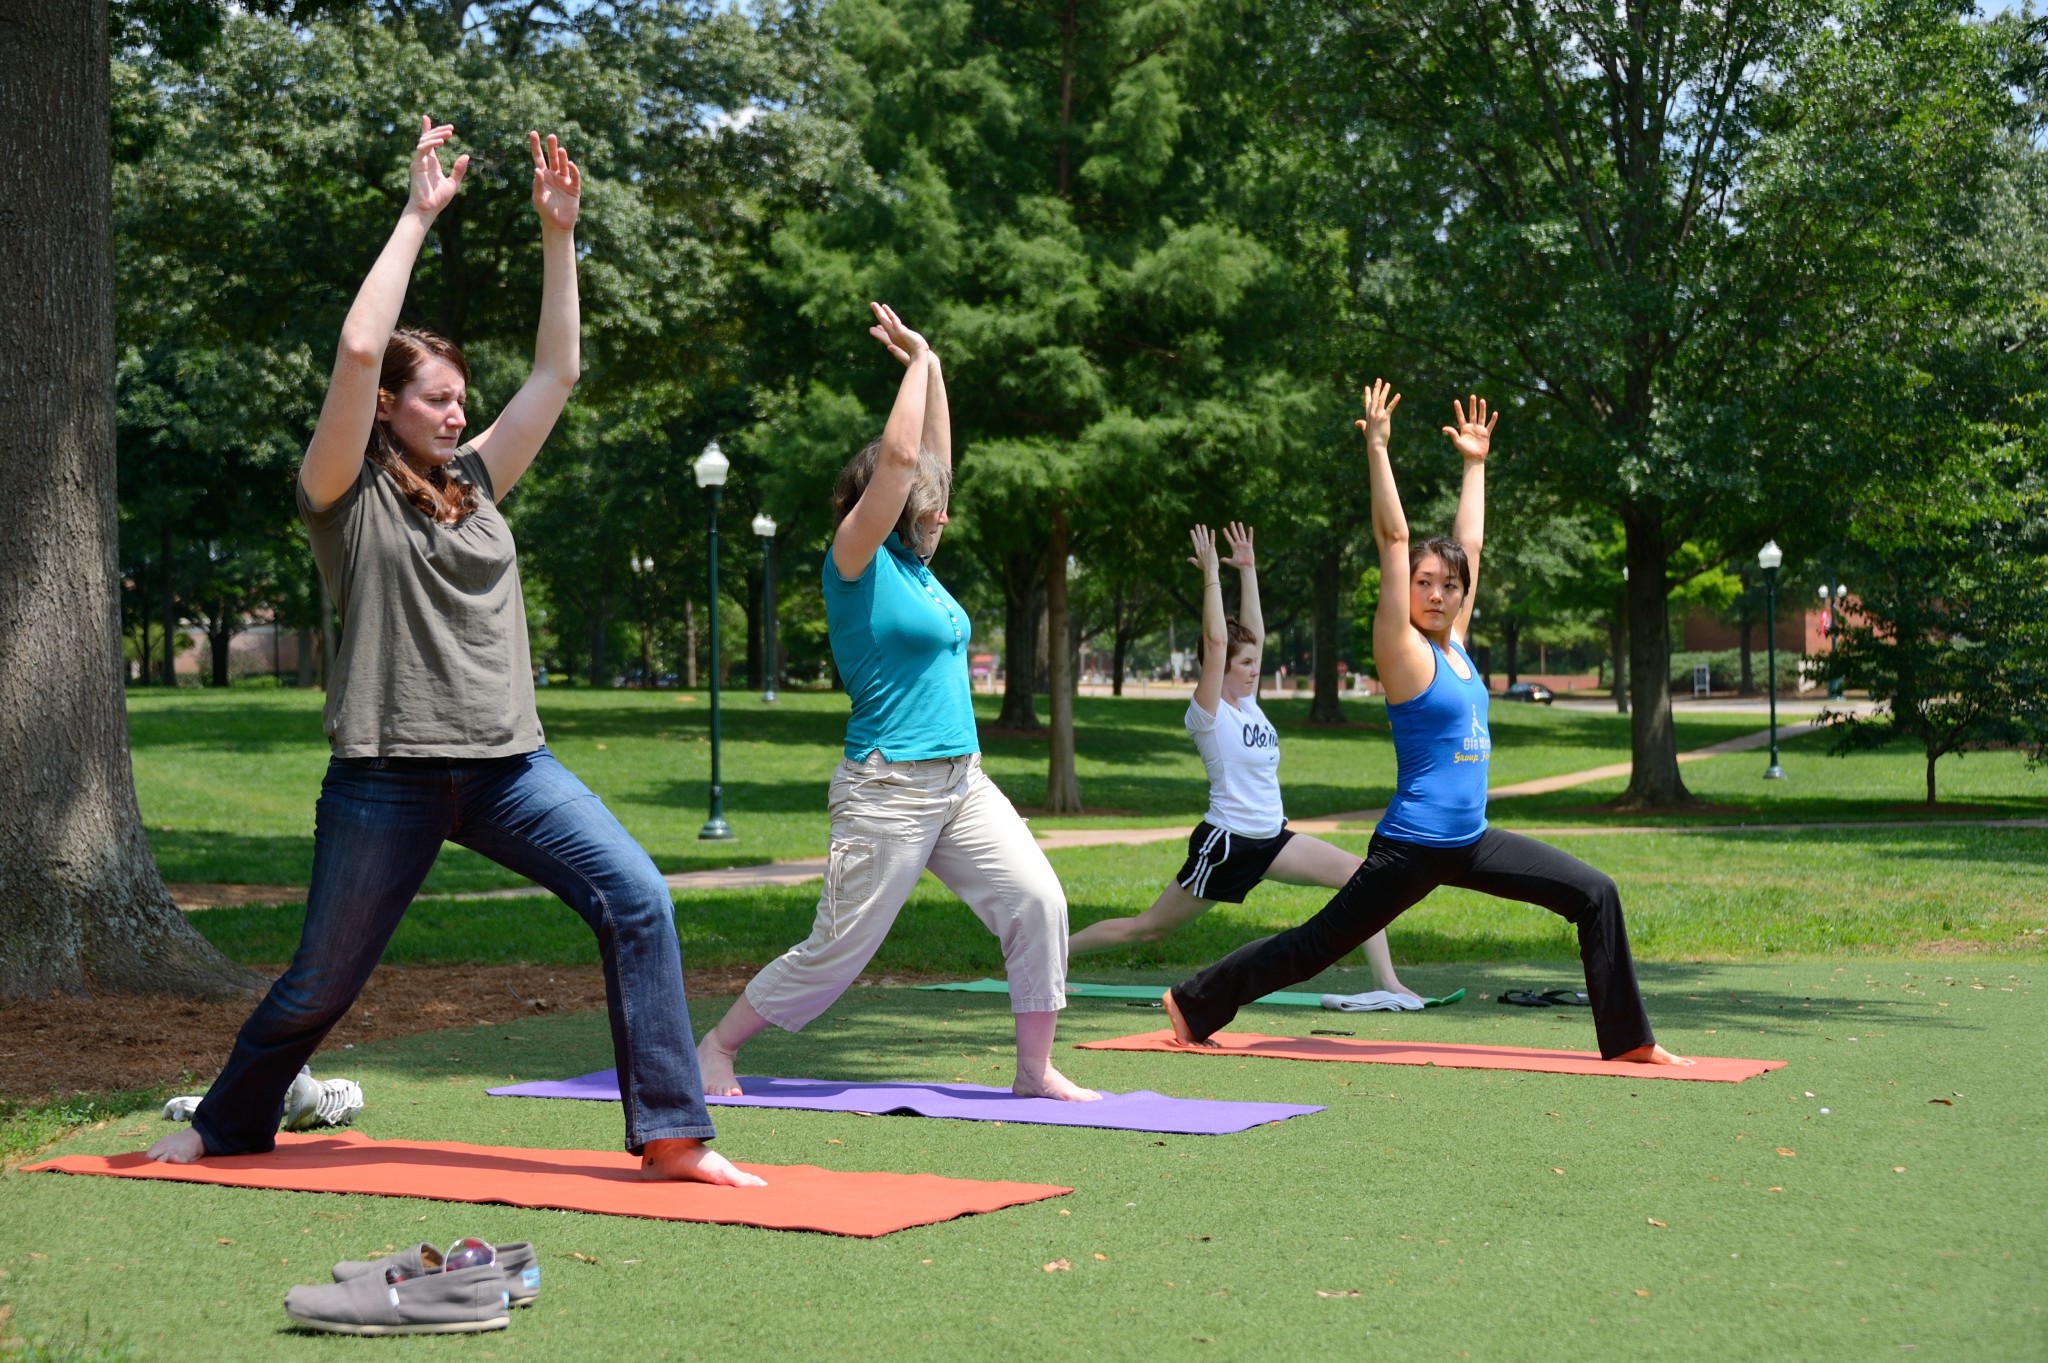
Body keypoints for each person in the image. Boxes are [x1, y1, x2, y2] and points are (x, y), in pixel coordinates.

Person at [146, 119, 764, 1184]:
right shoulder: (342, 491)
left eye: (459, 395)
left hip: (510, 769)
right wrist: (416, 215)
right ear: (386, 409)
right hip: (386, 776)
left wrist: (558, 235)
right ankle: (226, 1119)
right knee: (321, 981)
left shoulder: (478, 482)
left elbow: (557, 371)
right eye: (435, 396)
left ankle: (670, 1133)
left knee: (638, 898)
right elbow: (352, 348)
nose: (456, 408)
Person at [1162, 381, 1688, 1066]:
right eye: (1424, 582)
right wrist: (1378, 448)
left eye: (1449, 585)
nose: (1436, 593)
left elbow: (1469, 541)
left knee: (1595, 893)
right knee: (1317, 946)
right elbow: (1395, 534)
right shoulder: (1403, 650)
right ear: (1406, 587)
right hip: (1410, 847)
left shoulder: (1456, 646)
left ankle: (1629, 1041)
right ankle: (1196, 999)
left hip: (1470, 839)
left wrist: (1476, 463)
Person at [695, 303, 1097, 1102]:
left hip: (960, 782)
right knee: (838, 947)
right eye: (923, 499)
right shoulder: (855, 559)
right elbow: (906, 456)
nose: (940, 508)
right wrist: (910, 374)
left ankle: (1033, 1071)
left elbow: (931, 457)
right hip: (888, 787)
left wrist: (933, 360)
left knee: (1037, 900)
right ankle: (714, 1047)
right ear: (883, 499)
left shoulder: (917, 564)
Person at [1067, 522, 1417, 1001]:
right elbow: (1216, 643)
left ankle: (1387, 985)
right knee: (1147, 929)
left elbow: (1252, 632)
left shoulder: (1250, 704)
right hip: (1227, 845)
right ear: (1221, 669)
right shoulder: (1207, 715)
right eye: (1245, 664)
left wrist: (1247, 570)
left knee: (1363, 876)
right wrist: (1211, 575)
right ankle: (1051, 956)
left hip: (1271, 840)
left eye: (1255, 662)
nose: (1255, 670)